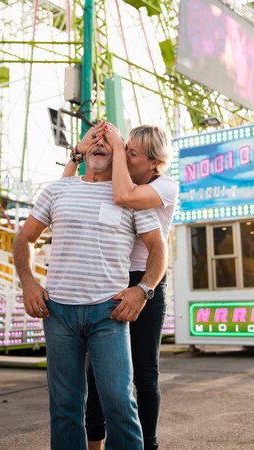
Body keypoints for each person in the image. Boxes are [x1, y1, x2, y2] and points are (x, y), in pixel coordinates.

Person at [14, 133, 167, 450]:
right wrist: (28, 282)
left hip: (107, 314)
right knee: (64, 406)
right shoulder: (58, 189)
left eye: (108, 143)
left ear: (120, 156)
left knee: (119, 404)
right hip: (58, 313)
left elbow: (158, 247)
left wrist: (143, 290)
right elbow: (24, 238)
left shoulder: (130, 197)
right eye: (93, 141)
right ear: (83, 151)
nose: (99, 144)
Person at [63, 122, 178, 450]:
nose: (124, 157)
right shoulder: (118, 180)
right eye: (124, 150)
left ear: (154, 162)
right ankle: (94, 444)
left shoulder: (164, 187)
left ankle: (147, 444)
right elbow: (65, 194)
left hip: (146, 280)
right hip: (108, 278)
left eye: (132, 153)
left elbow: (124, 195)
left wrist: (143, 289)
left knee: (144, 374)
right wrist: (79, 152)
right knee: (97, 375)